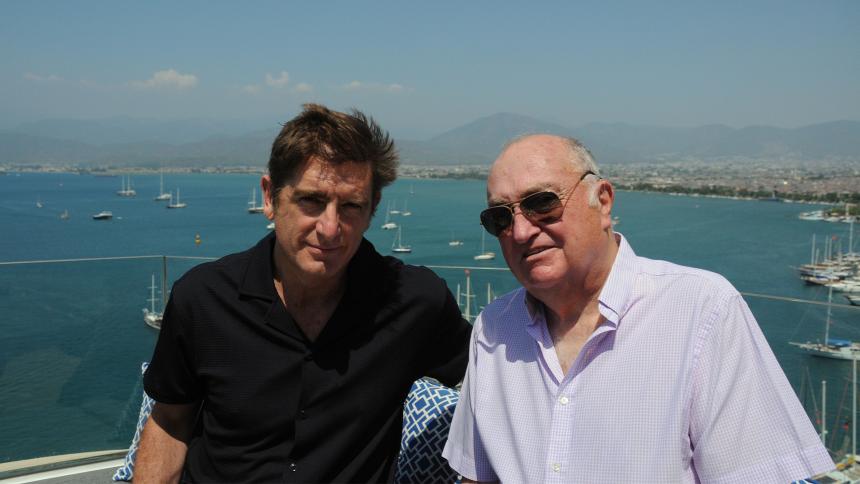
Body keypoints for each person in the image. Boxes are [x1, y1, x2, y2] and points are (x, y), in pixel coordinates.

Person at [442, 134, 834, 482]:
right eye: (501, 217)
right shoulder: (493, 328)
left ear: (603, 201)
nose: (522, 231)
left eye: (542, 203)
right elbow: (478, 477)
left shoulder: (702, 311)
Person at [136, 104, 472, 483]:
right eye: (311, 200)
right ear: (269, 197)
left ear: (373, 209)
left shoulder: (413, 302)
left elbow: (496, 379)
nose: (330, 228)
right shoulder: (203, 299)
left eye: (350, 206)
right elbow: (170, 421)